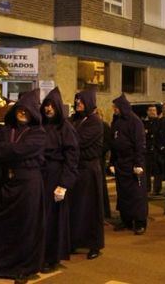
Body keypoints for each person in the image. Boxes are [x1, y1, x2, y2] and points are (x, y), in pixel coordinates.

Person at [0, 89, 46, 283]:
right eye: (19, 110)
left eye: (26, 111)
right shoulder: (8, 129)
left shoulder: (38, 133)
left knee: (25, 227)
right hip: (6, 183)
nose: (22, 113)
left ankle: (23, 267)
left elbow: (19, 150)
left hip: (27, 184)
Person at [40, 87, 79, 272]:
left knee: (54, 218)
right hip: (41, 175)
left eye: (51, 105)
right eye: (46, 105)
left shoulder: (66, 128)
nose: (48, 109)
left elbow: (72, 157)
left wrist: (64, 184)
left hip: (56, 176)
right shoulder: (40, 125)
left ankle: (52, 257)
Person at [69, 90, 104, 259]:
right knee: (76, 209)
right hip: (76, 169)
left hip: (89, 171)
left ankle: (94, 244)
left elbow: (78, 141)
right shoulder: (75, 119)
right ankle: (76, 240)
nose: (78, 104)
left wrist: (68, 141)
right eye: (77, 101)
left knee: (91, 209)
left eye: (81, 101)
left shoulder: (95, 122)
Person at [110, 94, 148, 235]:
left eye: (115, 107)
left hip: (133, 163)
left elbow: (139, 144)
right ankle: (125, 219)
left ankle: (139, 222)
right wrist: (112, 162)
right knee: (123, 194)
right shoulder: (117, 121)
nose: (114, 110)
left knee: (136, 195)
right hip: (121, 163)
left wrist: (138, 164)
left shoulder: (135, 122)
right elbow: (114, 143)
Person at [141, 105, 161, 194]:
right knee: (147, 171)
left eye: (154, 110)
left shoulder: (159, 122)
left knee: (157, 171)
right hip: (147, 150)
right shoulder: (144, 123)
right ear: (147, 112)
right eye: (150, 110)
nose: (152, 112)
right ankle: (147, 188)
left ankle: (157, 189)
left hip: (157, 150)